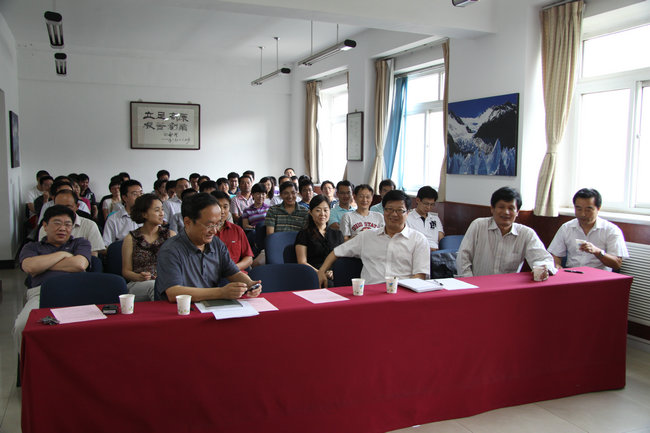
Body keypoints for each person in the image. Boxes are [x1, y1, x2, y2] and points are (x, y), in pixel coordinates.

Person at [154, 193, 262, 301]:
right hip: (179, 309)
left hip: (210, 307)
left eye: (218, 224)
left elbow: (233, 273)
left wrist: (249, 283)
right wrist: (221, 292)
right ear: (187, 222)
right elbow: (173, 292)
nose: (214, 231)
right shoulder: (170, 250)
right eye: (209, 225)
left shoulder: (216, 244)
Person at [14, 205, 91, 348]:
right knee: (22, 326)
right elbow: (30, 267)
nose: (63, 228)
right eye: (57, 223)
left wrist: (42, 266)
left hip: (76, 291)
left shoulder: (80, 243)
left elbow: (79, 265)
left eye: (68, 224)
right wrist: (63, 254)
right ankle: (26, 361)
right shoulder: (31, 247)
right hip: (41, 293)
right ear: (45, 225)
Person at [317, 190, 429, 286]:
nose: (394, 214)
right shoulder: (367, 236)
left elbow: (419, 276)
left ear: (408, 213)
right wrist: (322, 271)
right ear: (383, 211)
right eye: (389, 209)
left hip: (402, 294)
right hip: (369, 294)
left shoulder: (418, 240)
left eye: (400, 210)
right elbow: (337, 252)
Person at [456, 187, 556, 277]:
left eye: (511, 208)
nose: (506, 212)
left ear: (517, 212)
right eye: (501, 207)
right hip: (477, 285)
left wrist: (542, 268)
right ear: (492, 209)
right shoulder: (478, 225)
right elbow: (463, 258)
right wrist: (469, 282)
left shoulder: (526, 234)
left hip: (509, 287)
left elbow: (543, 259)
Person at [548, 188, 628, 271]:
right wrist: (556, 265)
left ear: (598, 208)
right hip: (572, 274)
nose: (583, 214)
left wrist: (597, 252)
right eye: (579, 209)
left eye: (588, 210)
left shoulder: (611, 230)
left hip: (599, 276)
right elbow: (555, 255)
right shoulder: (566, 228)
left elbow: (617, 264)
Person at [122, 194, 175, 302]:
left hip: (167, 282)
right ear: (144, 214)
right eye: (157, 210)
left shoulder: (170, 235)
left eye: (162, 209)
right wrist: (139, 277)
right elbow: (126, 271)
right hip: (139, 284)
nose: (162, 213)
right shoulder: (131, 238)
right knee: (154, 286)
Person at [38, 190, 104, 255]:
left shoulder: (90, 225)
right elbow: (44, 255)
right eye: (59, 207)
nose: (63, 210)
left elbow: (93, 255)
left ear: (77, 206)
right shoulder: (46, 227)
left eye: (68, 207)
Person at [295, 195, 344, 282]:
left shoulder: (338, 234)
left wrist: (334, 272)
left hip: (334, 275)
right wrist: (320, 273)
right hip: (312, 274)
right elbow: (302, 262)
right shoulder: (304, 234)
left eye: (325, 210)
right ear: (310, 212)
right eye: (318, 210)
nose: (322, 214)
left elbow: (342, 259)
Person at [213, 191, 254, 272]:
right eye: (218, 207)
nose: (222, 211)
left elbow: (249, 258)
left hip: (236, 273)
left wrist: (233, 268)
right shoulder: (204, 232)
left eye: (225, 207)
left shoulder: (237, 230)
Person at [102, 179, 143, 247]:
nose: (139, 197)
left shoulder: (149, 215)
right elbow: (107, 245)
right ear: (124, 198)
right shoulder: (113, 219)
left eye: (141, 193)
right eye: (135, 194)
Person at [407, 186, 444, 250]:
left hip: (436, 252)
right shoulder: (407, 218)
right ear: (418, 200)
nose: (428, 207)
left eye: (432, 204)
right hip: (417, 251)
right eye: (426, 204)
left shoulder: (435, 219)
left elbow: (441, 239)